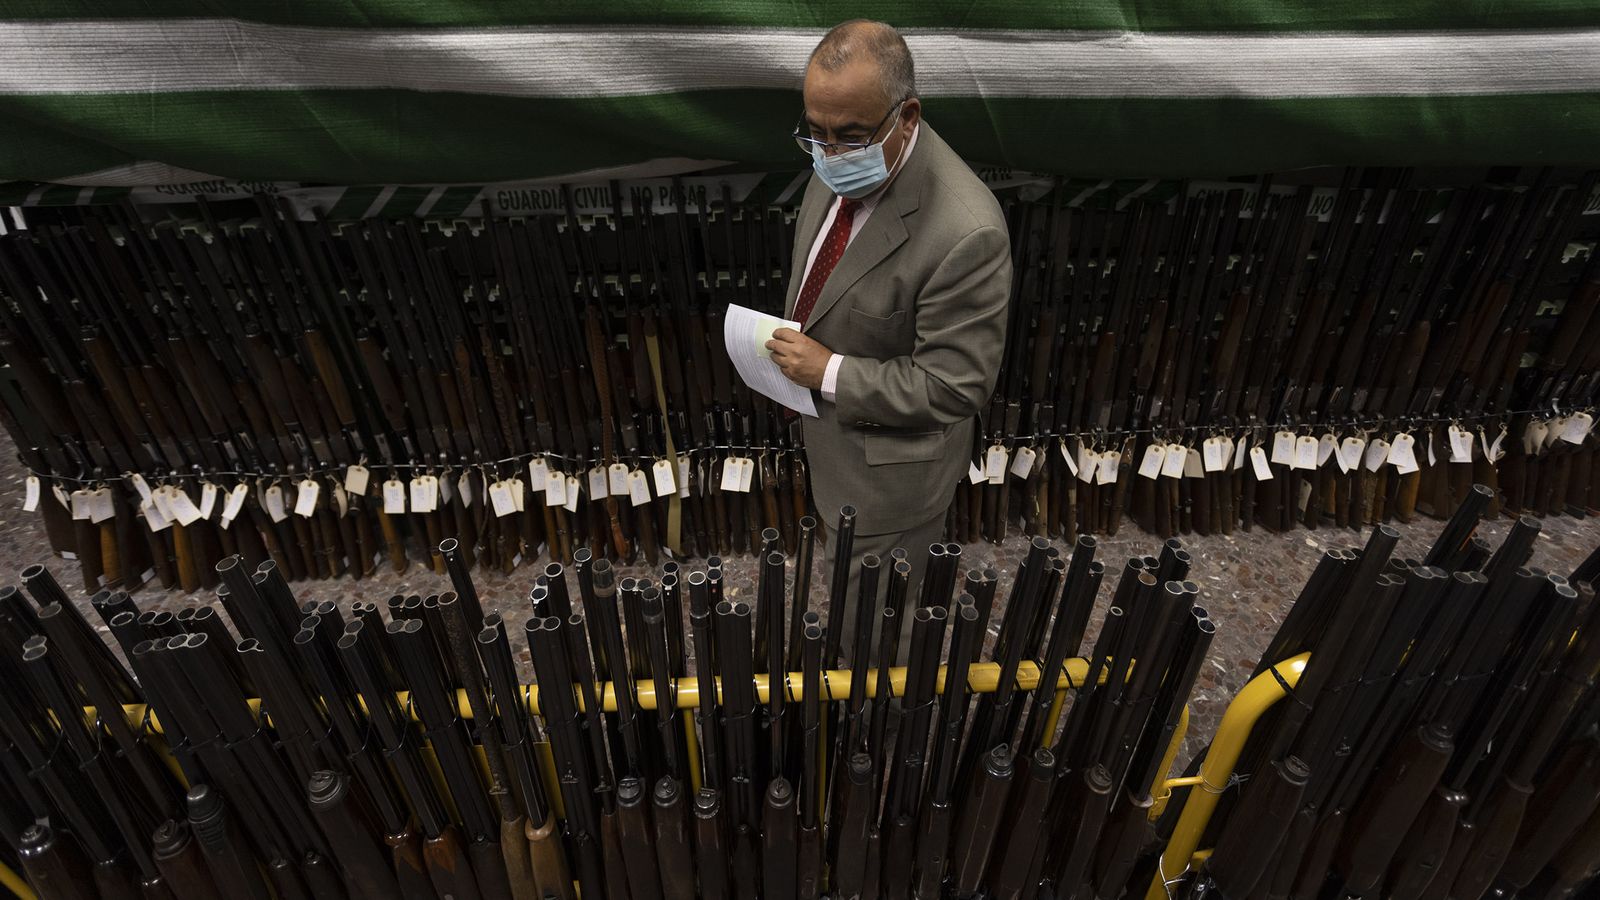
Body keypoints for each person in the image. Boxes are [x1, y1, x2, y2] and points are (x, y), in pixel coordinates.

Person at [766, 20, 1012, 656]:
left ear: (907, 116)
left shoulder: (966, 232)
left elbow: (952, 387)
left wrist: (827, 372)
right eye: (814, 132)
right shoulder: (842, 149)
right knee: (850, 605)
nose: (828, 153)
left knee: (883, 638)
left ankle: (882, 738)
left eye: (846, 137)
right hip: (837, 453)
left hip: (891, 482)